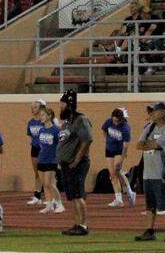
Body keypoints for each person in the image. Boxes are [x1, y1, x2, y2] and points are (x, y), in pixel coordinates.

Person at [134, 102, 165, 242]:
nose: (151, 114)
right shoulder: (149, 127)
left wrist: (149, 144)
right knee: (150, 204)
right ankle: (150, 230)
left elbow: (159, 145)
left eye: (154, 111)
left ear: (163, 113)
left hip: (162, 171)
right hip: (148, 172)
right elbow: (139, 145)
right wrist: (150, 144)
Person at [56, 89, 93, 236]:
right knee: (72, 196)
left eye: (63, 104)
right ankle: (77, 224)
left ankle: (83, 225)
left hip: (77, 164)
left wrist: (76, 159)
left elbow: (87, 139)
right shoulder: (66, 123)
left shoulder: (80, 120)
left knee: (78, 195)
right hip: (67, 164)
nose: (60, 107)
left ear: (70, 104)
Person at [101, 107, 135, 207]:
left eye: (117, 121)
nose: (115, 123)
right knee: (112, 174)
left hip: (119, 150)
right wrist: (107, 139)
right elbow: (103, 129)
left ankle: (129, 191)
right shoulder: (109, 121)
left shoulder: (125, 128)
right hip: (109, 149)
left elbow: (126, 146)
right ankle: (119, 199)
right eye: (114, 120)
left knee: (117, 170)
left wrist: (122, 158)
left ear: (121, 119)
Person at [34, 106, 63, 215]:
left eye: (43, 115)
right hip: (42, 159)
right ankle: (49, 205)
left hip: (52, 160)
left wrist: (59, 160)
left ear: (49, 116)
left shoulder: (56, 130)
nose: (40, 117)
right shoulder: (41, 129)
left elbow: (60, 146)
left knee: (49, 183)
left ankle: (59, 204)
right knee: (44, 184)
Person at [25, 99, 46, 206]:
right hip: (35, 148)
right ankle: (37, 196)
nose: (33, 110)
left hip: (45, 149)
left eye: (35, 107)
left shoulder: (45, 121)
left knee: (45, 173)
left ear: (41, 108)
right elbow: (31, 135)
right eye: (32, 108)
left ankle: (47, 195)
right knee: (37, 173)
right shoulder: (31, 122)